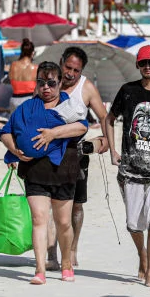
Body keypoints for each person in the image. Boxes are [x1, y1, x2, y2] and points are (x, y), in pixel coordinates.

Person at [0, 61, 89, 284]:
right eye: (41, 82)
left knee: (63, 223)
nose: (46, 87)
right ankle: (40, 269)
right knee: (39, 219)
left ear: (60, 84)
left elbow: (82, 126)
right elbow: (5, 132)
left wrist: (53, 134)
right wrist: (13, 149)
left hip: (63, 168)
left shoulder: (69, 106)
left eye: (51, 83)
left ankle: (66, 262)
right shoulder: (27, 107)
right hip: (34, 170)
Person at [103, 45, 150, 287]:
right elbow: (109, 118)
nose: (148, 67)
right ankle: (142, 255)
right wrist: (112, 150)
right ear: (138, 65)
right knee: (133, 224)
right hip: (131, 170)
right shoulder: (128, 91)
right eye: (144, 63)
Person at [57, 46, 109, 269]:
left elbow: (104, 116)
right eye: (67, 67)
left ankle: (73, 248)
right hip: (49, 149)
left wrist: (107, 140)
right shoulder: (50, 81)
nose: (70, 73)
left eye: (75, 70)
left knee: (76, 206)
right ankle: (51, 251)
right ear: (61, 63)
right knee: (51, 205)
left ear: (81, 71)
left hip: (77, 153)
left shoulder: (86, 88)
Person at [7, 39, 38, 113]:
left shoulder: (13, 65)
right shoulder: (35, 68)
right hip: (30, 100)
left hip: (15, 99)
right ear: (32, 53)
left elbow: (10, 78)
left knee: (15, 123)